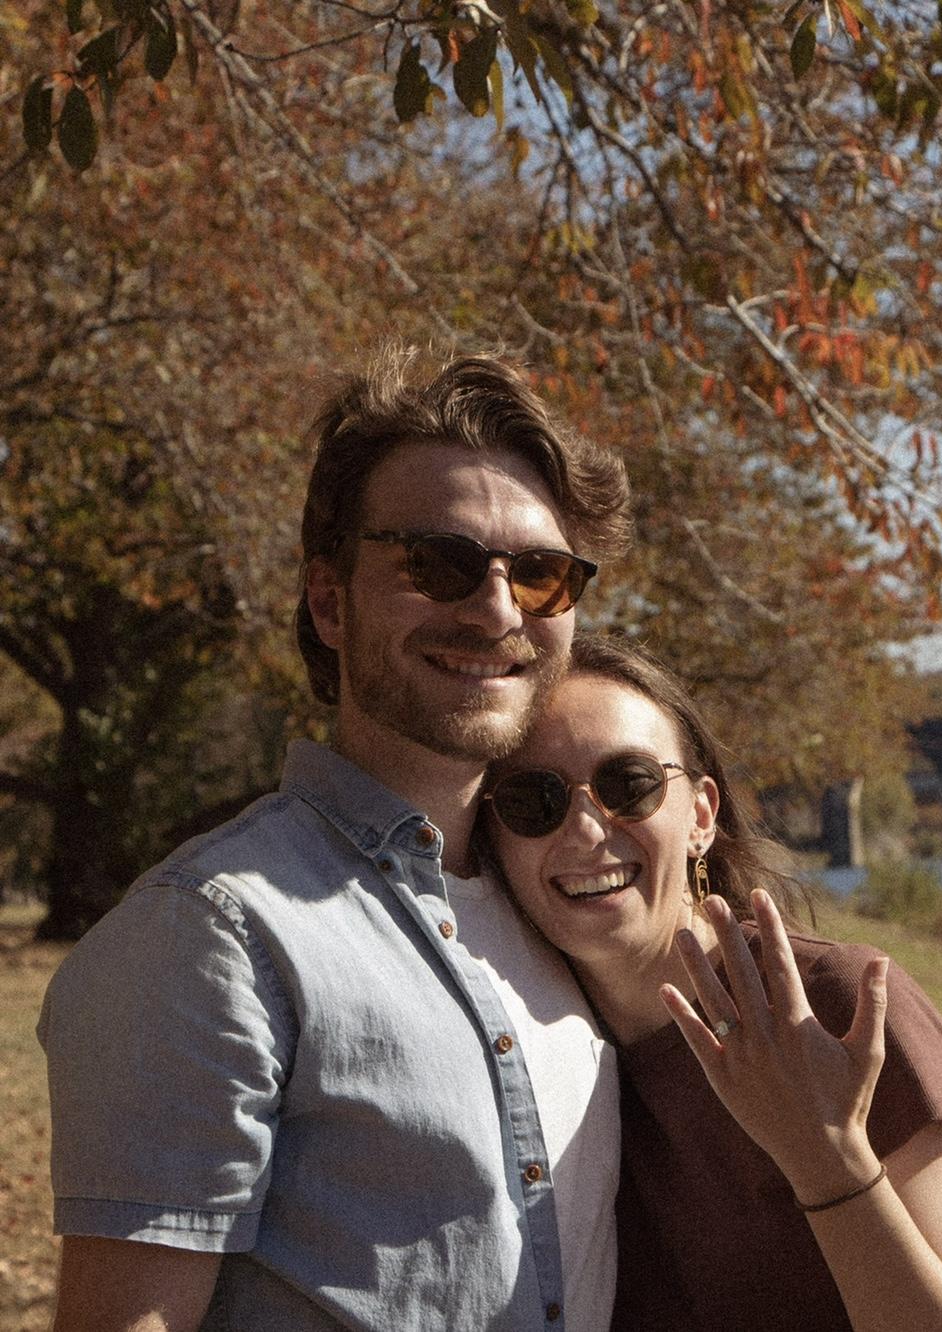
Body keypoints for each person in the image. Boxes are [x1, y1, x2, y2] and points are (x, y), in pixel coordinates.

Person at [37, 349, 633, 1331]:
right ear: (328, 602)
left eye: (540, 575)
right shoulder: (210, 936)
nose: (494, 610)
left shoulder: (568, 909)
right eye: (436, 565)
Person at [478, 634, 942, 1332]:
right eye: (533, 799)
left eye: (630, 784)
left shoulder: (836, 1008)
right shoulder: (528, 1060)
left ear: (701, 815)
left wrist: (824, 1157)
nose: (585, 828)